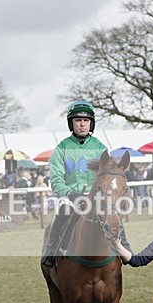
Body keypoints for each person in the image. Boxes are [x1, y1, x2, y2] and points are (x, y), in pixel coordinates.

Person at [41, 99, 129, 266]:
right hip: (70, 196)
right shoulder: (61, 149)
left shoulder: (100, 147)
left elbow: (107, 176)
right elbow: (56, 179)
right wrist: (69, 193)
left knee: (113, 216)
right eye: (78, 121)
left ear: (91, 124)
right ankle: (50, 252)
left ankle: (124, 245)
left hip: (95, 196)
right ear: (71, 124)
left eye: (86, 121)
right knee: (62, 214)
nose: (82, 124)